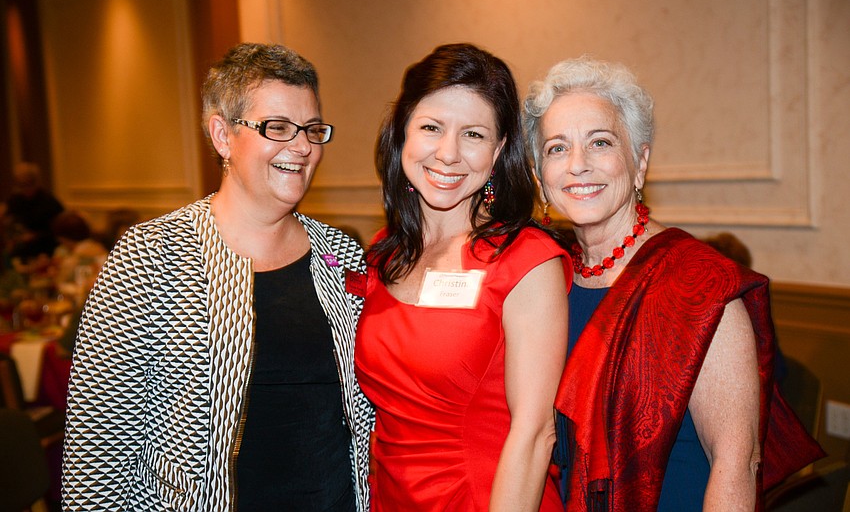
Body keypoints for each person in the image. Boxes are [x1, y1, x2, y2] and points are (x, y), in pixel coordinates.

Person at [62, 43, 373, 511]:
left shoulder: (342, 253)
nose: (303, 146)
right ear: (222, 136)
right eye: (278, 127)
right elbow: (95, 463)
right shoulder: (149, 257)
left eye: (311, 129)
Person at [522, 56, 824, 511]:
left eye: (600, 142)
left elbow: (736, 462)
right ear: (540, 179)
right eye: (557, 148)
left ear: (639, 161)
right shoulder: (548, 278)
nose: (577, 165)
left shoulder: (697, 286)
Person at [354, 43, 570, 511]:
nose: (448, 154)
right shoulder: (383, 253)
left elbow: (534, 434)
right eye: (431, 127)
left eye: (473, 134)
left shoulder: (526, 261)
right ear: (402, 135)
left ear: (499, 150)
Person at [3, 162, 65, 261]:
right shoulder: (14, 200)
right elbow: (9, 222)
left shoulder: (49, 201)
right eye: (21, 185)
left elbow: (60, 230)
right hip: (20, 251)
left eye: (28, 184)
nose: (24, 188)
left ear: (36, 182)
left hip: (46, 250)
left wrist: (35, 236)